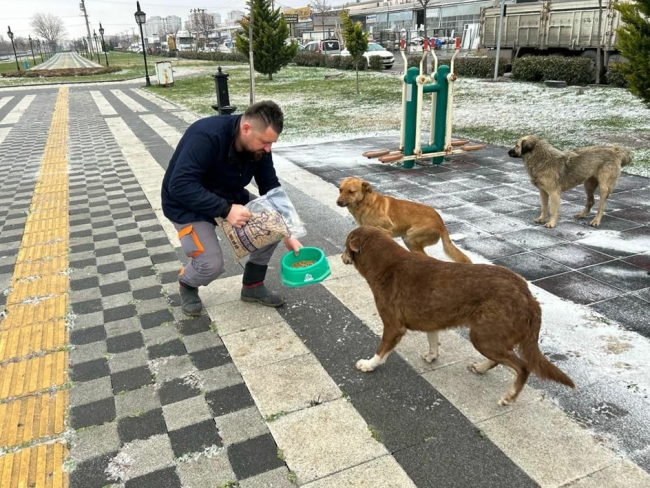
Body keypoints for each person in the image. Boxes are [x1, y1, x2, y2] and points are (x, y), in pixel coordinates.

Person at [161, 100, 303, 316]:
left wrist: (288, 229)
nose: (268, 149)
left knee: (273, 226)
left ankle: (253, 287)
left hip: (229, 195)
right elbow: (180, 185)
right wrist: (226, 210)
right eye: (265, 142)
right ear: (246, 129)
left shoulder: (260, 147)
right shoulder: (205, 136)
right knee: (212, 264)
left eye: (272, 143)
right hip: (187, 204)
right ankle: (187, 283)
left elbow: (270, 186)